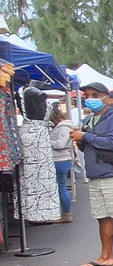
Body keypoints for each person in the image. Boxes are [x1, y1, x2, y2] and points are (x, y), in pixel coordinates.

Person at [70, 81, 113, 266]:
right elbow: (88, 145)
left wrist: (85, 137)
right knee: (102, 216)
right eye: (87, 95)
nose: (90, 99)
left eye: (94, 94)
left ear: (106, 96)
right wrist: (80, 139)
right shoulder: (89, 119)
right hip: (96, 173)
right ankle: (106, 255)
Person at [18, 87, 61, 223]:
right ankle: (35, 212)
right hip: (34, 166)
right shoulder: (34, 130)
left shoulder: (37, 129)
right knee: (32, 183)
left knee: (38, 182)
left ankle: (40, 211)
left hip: (40, 164)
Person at [48, 101, 78, 223]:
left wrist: (45, 142)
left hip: (60, 159)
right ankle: (64, 212)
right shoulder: (64, 126)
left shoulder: (64, 127)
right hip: (61, 159)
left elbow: (61, 144)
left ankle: (66, 213)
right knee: (60, 187)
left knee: (61, 187)